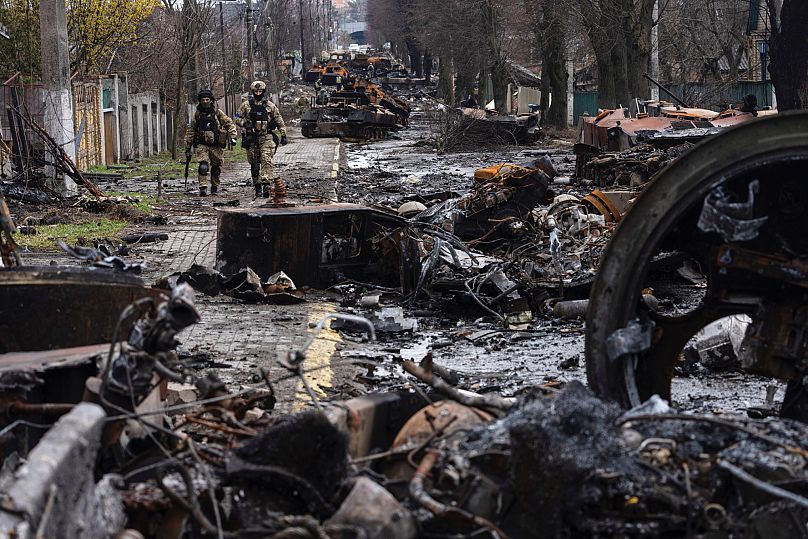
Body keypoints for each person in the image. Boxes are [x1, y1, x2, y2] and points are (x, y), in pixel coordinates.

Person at [237, 80, 288, 199]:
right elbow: (236, 117)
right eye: (256, 91)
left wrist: (283, 134)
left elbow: (279, 119)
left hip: (267, 137)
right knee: (254, 163)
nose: (258, 93)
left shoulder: (270, 105)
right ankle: (257, 186)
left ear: (263, 92)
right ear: (253, 92)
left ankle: (266, 184)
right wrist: (245, 124)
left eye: (260, 91)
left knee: (266, 159)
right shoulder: (246, 105)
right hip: (252, 138)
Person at [184, 89, 237, 197]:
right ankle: (203, 187)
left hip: (216, 145)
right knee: (203, 166)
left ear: (211, 100)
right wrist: (188, 144)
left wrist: (233, 136)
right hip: (202, 144)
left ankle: (214, 186)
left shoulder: (217, 113)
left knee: (216, 168)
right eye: (203, 100)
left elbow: (229, 123)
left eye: (207, 99)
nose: (205, 102)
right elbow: (191, 130)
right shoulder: (197, 114)